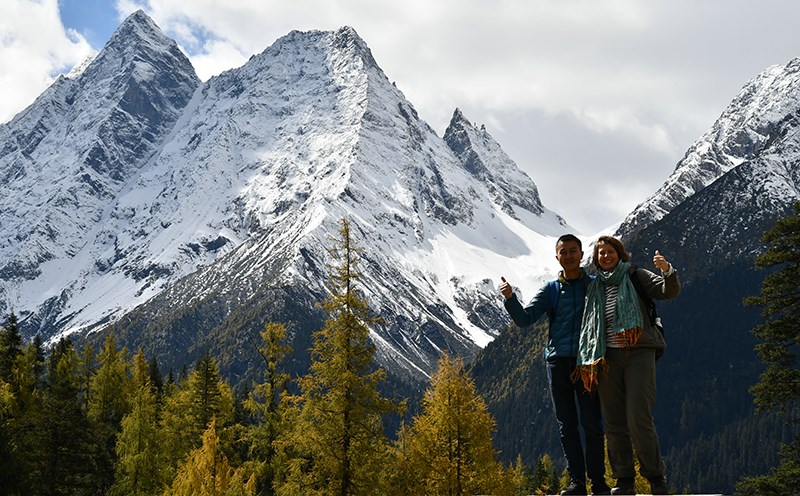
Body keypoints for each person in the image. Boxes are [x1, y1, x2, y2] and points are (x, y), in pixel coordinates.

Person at [500, 234, 610, 496]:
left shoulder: (596, 286)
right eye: (564, 252)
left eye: (573, 251)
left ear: (582, 254)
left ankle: (598, 482)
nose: (569, 256)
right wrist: (510, 298)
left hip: (588, 363)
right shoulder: (550, 290)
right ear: (557, 257)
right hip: (558, 363)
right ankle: (577, 483)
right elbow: (525, 320)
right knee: (567, 425)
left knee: (593, 423)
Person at [575, 236, 680, 496]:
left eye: (610, 252)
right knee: (614, 422)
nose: (606, 257)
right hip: (607, 357)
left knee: (638, 417)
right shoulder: (595, 286)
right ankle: (624, 480)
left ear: (620, 254)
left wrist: (666, 270)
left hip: (639, 353)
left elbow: (669, 291)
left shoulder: (636, 276)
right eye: (601, 254)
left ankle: (656, 477)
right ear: (596, 259)